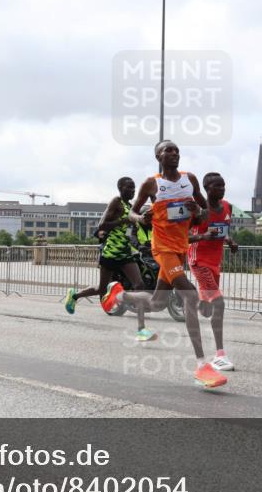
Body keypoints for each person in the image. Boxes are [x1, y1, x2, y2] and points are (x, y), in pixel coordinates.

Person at [105, 140, 227, 389]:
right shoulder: (151, 184)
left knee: (157, 303)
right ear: (158, 157)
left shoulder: (189, 179)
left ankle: (119, 293)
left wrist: (197, 209)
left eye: (176, 150)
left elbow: (205, 213)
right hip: (162, 248)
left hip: (181, 247)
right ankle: (202, 365)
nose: (174, 153)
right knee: (190, 296)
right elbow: (132, 213)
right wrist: (141, 218)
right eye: (168, 151)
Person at [62, 177, 155, 340]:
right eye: (129, 188)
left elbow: (133, 228)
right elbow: (102, 225)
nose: (132, 191)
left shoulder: (130, 206)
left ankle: (141, 329)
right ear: (120, 188)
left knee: (139, 285)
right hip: (111, 253)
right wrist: (123, 221)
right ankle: (75, 296)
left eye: (134, 188)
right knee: (101, 289)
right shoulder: (116, 202)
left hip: (125, 253)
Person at [187, 172, 239, 371]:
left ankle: (199, 301)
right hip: (199, 261)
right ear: (207, 189)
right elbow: (183, 237)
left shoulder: (227, 207)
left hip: (216, 261)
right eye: (218, 186)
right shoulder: (198, 210)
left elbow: (223, 230)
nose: (222, 189)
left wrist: (230, 241)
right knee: (219, 303)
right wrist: (204, 236)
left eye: (224, 185)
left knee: (207, 310)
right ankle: (220, 355)